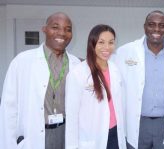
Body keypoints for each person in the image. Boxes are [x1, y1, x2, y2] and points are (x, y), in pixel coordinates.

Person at [0, 12, 80, 149]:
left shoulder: (77, 64)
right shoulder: (22, 61)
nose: (62, 33)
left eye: (68, 29)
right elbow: (9, 108)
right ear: (44, 29)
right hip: (34, 134)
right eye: (55, 27)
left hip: (67, 133)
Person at [114, 10, 164, 149]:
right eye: (151, 25)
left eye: (162, 25)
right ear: (144, 27)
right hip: (138, 122)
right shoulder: (125, 51)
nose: (157, 29)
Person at [65, 24, 126, 149]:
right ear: (92, 44)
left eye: (111, 42)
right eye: (101, 42)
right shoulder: (78, 73)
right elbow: (72, 116)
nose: (107, 47)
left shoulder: (115, 69)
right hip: (91, 138)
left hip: (115, 134)